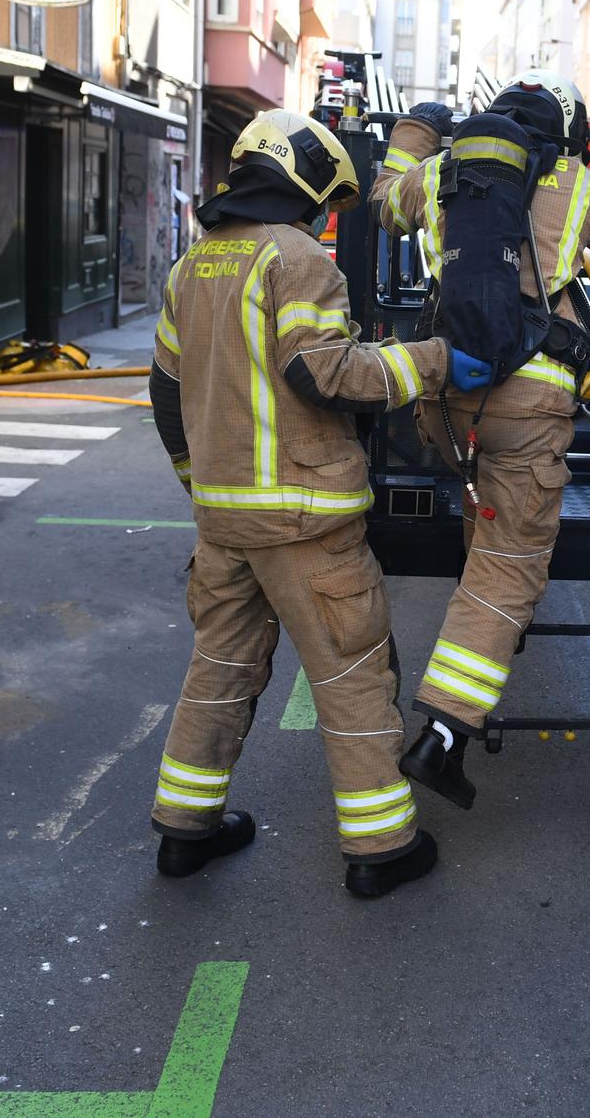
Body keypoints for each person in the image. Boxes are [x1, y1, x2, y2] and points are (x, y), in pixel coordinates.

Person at [147, 109, 494, 898]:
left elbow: (167, 394)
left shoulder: (191, 267)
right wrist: (433, 361)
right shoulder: (298, 259)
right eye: (319, 203)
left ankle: (183, 831)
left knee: (219, 668)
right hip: (304, 519)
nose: (317, 219)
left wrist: (196, 482)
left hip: (224, 519)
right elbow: (324, 372)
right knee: (351, 673)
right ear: (301, 184)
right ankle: (382, 847)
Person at [371, 72, 590, 808]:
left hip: (443, 405)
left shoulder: (440, 173)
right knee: (507, 573)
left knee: (490, 527)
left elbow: (382, 204)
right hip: (528, 405)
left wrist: (416, 134)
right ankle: (444, 736)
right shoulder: (581, 187)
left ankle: (487, 624)